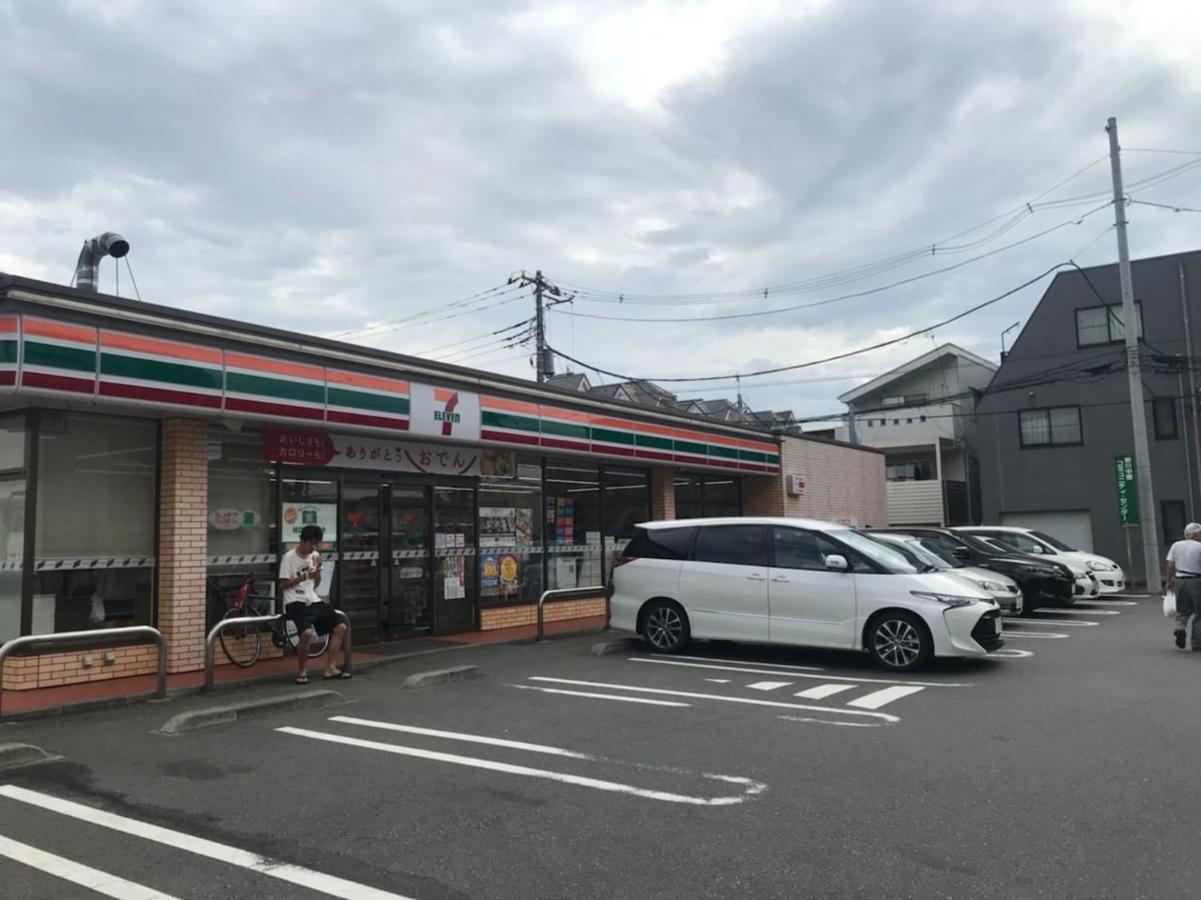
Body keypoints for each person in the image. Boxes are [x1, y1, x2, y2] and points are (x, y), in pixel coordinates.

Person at [279, 524, 350, 683]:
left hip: (313, 599)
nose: (312, 547)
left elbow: (316, 583)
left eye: (315, 544)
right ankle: (302, 671)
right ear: (302, 541)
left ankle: (330, 668)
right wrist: (304, 576)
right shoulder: (289, 557)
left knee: (341, 627)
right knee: (307, 633)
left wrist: (317, 570)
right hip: (295, 602)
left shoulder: (315, 555)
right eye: (310, 543)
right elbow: (283, 585)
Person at [1166, 522, 1201, 650]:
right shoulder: (1199, 547)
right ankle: (1197, 642)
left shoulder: (1176, 545)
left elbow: (1170, 565)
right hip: (1196, 580)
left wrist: (1169, 581)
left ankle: (1180, 628)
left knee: (1182, 610)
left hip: (1179, 580)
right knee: (1199, 613)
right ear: (1195, 534)